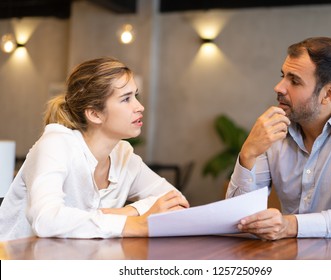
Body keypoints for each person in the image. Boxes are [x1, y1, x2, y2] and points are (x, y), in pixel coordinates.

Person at [0, 57, 189, 241]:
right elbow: (46, 220)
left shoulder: (123, 155)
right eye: (126, 99)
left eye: (135, 96)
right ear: (94, 114)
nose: (140, 107)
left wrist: (125, 212)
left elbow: (176, 201)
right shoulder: (56, 144)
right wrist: (132, 223)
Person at [226, 37, 331, 240]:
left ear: (328, 94)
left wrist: (290, 225)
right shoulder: (274, 127)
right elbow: (237, 218)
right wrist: (248, 153)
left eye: (294, 81)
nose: (279, 87)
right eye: (283, 76)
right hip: (290, 257)